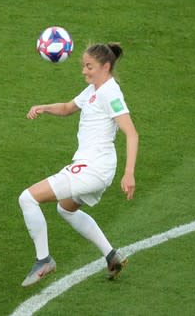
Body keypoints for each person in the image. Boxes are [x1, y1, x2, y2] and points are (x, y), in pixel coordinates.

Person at [19, 42, 138, 287]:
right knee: (66, 209)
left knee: (27, 198)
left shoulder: (110, 94)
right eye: (83, 65)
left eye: (89, 66)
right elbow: (67, 108)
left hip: (93, 168)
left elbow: (132, 133)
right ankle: (111, 255)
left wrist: (129, 174)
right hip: (96, 168)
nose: (84, 71)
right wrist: (44, 107)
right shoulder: (94, 89)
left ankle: (44, 260)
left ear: (105, 67)